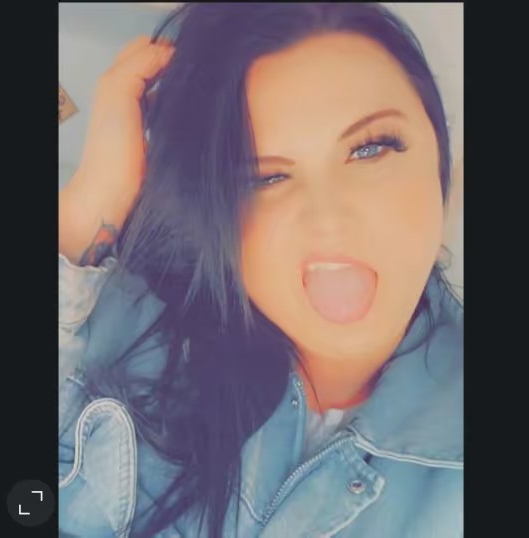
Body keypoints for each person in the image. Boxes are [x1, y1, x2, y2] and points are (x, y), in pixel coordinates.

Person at [58, 3, 463, 537]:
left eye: (370, 149)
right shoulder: (121, 331)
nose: (328, 220)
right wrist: (85, 212)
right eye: (263, 178)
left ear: (441, 161)